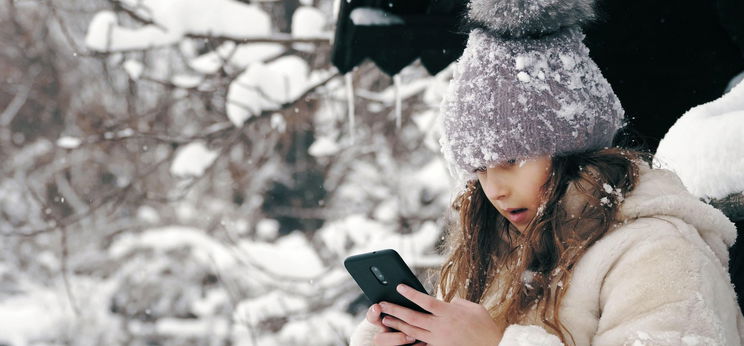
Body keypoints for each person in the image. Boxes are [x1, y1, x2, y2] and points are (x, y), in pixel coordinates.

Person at [348, 0, 744, 345]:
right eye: (480, 169)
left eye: (511, 161)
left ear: (571, 148)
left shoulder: (660, 252)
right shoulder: (494, 254)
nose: (495, 190)